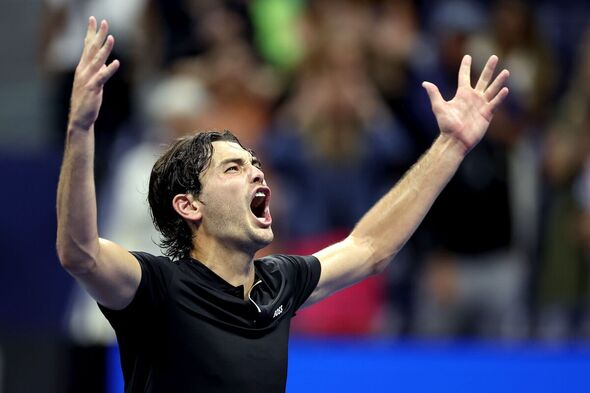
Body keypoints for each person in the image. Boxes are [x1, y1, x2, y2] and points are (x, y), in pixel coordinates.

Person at [56, 17, 509, 392]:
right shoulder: (156, 287)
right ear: (189, 206)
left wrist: (451, 145)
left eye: (254, 163)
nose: (256, 171)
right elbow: (80, 252)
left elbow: (371, 246)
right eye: (232, 169)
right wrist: (80, 129)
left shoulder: (279, 284)